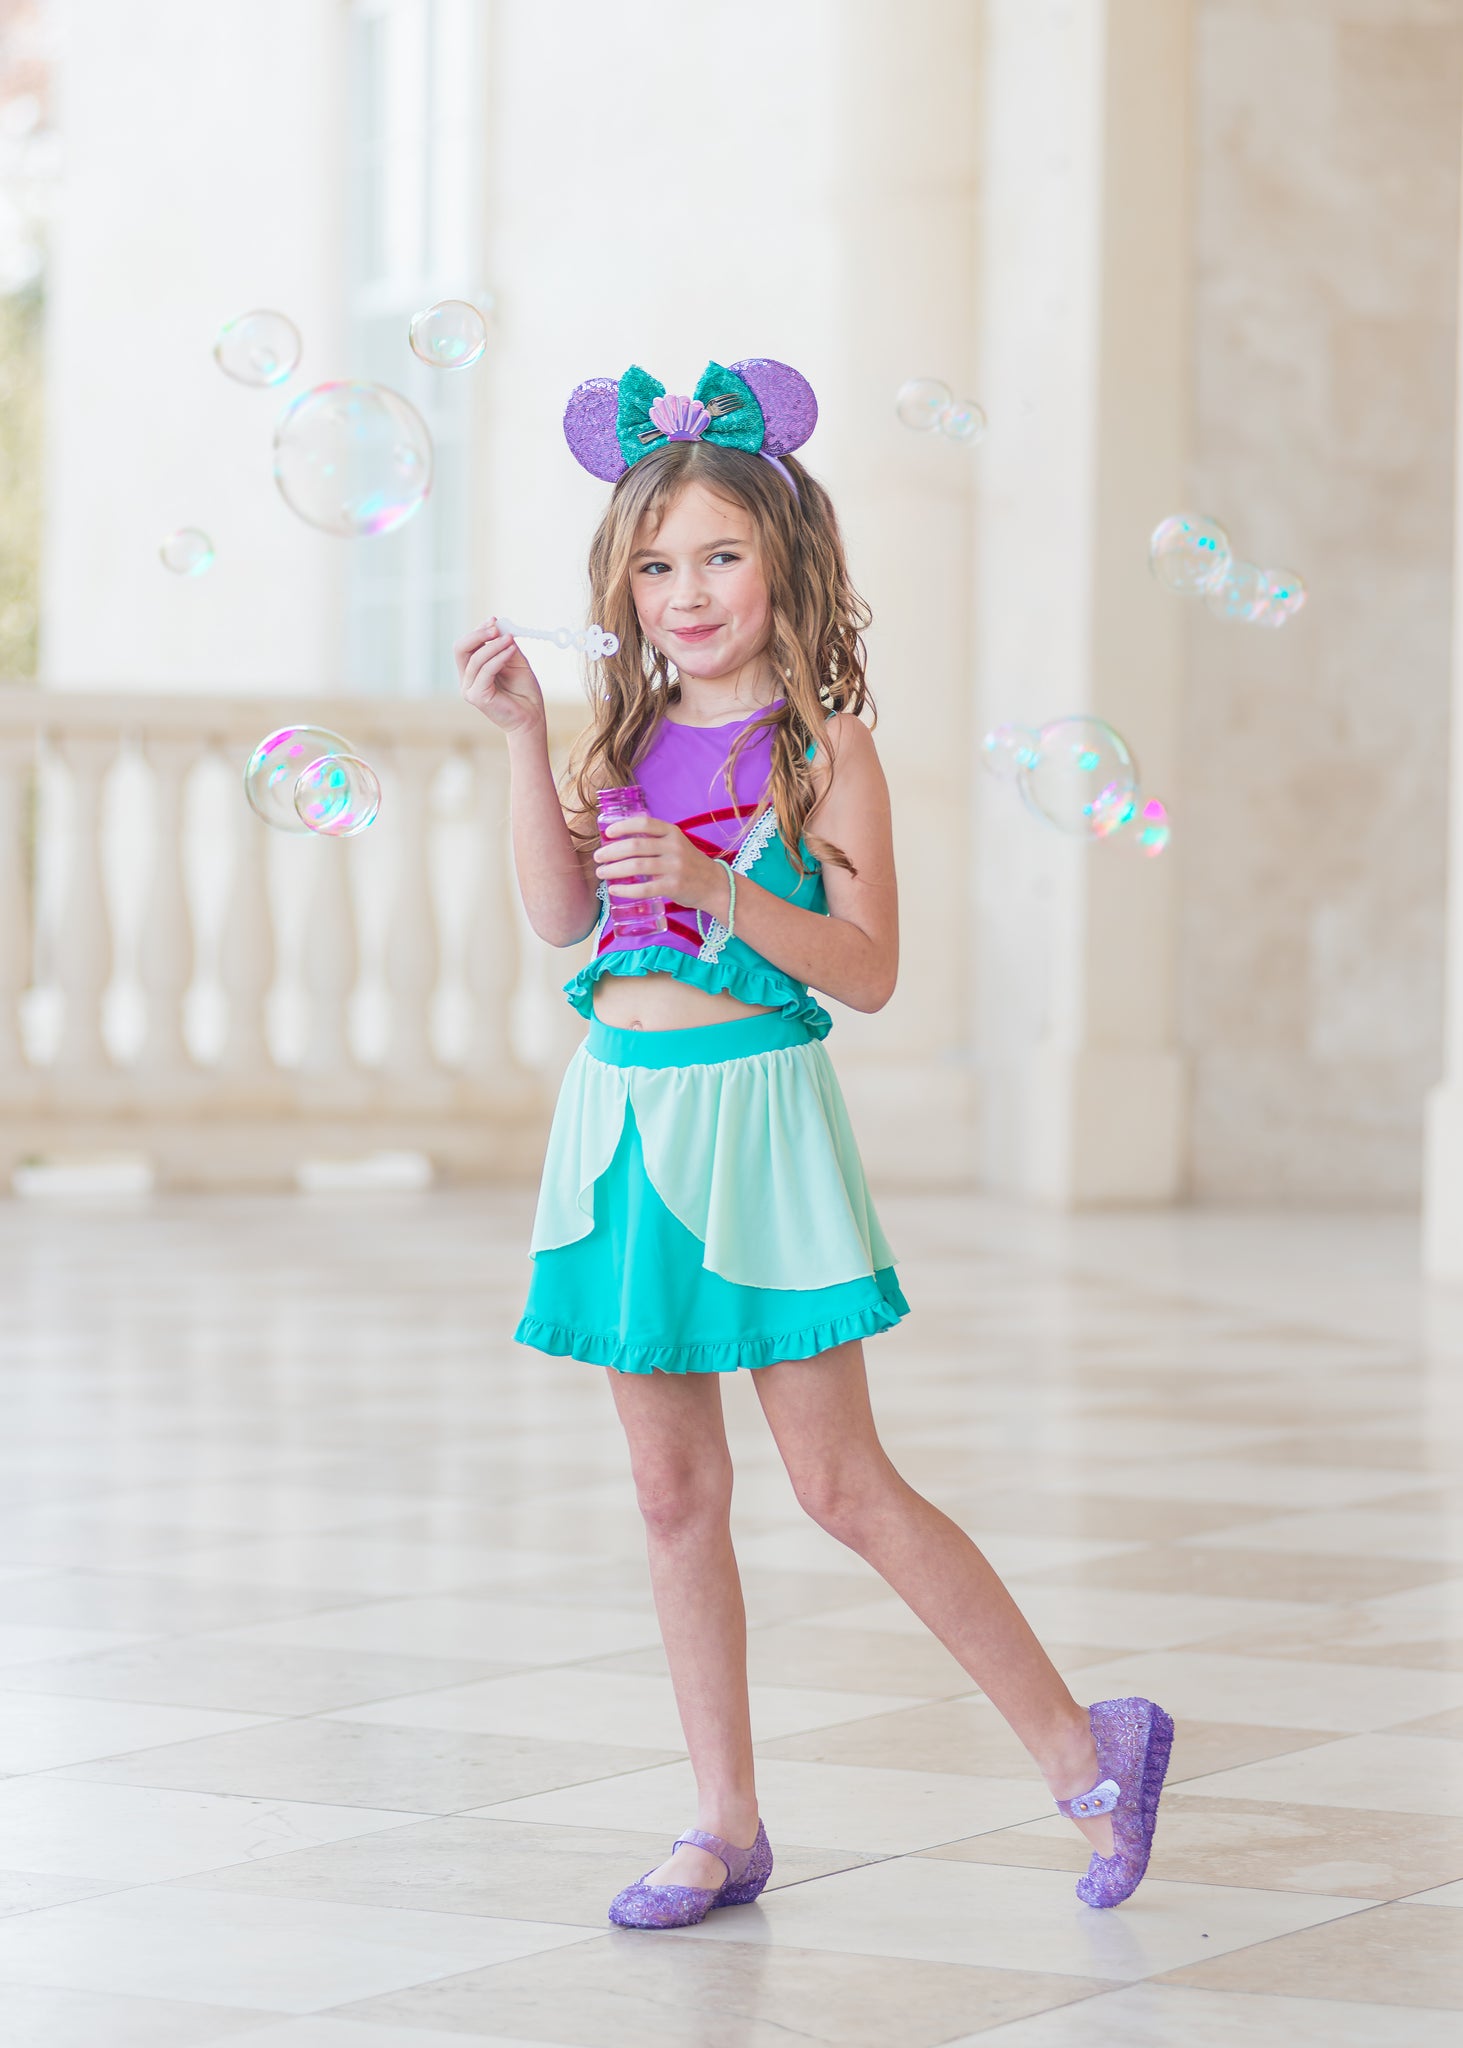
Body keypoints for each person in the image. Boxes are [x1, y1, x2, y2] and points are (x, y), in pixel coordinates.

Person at [456, 356, 1172, 1929]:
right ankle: (723, 1822)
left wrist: (716, 887)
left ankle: (1086, 1746)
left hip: (758, 1124)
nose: (687, 594)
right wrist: (521, 739)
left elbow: (868, 968)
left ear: (784, 560)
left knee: (840, 1482)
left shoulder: (824, 751)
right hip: (625, 1118)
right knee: (670, 1491)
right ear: (623, 589)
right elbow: (561, 920)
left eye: (719, 555)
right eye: (656, 567)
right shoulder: (615, 743)